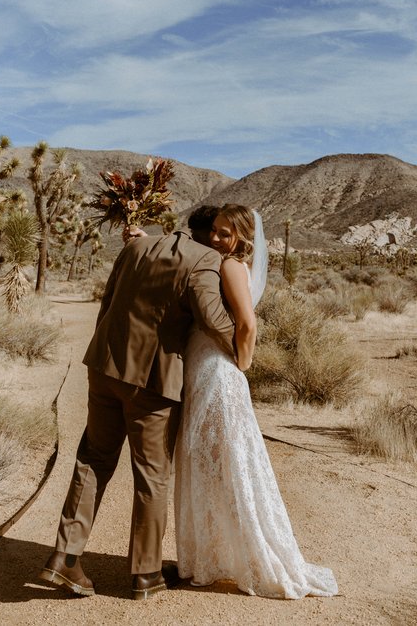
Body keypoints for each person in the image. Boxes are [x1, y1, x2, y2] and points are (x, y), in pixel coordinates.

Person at [40, 208, 235, 600]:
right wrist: (244, 340)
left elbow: (107, 302)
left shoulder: (137, 247)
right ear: (210, 236)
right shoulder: (206, 261)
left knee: (93, 459)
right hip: (152, 381)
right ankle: (145, 573)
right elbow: (213, 319)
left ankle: (64, 557)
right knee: (151, 474)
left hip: (104, 368)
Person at [175, 204, 339, 599]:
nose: (215, 238)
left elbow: (247, 323)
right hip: (209, 363)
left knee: (221, 461)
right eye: (213, 230)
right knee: (217, 460)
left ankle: (237, 556)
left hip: (216, 366)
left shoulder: (231, 266)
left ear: (243, 237)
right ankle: (214, 556)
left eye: (225, 233)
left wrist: (241, 363)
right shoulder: (228, 261)